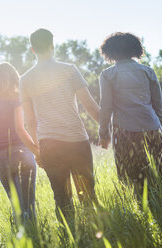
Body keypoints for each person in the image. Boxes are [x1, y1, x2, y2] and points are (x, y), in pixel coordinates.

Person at [19, 28, 100, 219]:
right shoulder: (69, 70)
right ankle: (95, 237)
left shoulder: (25, 80)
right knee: (87, 196)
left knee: (62, 199)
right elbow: (89, 104)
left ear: (32, 50)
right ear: (52, 46)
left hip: (49, 144)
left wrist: (37, 150)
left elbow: (30, 120)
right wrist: (106, 129)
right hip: (76, 140)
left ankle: (69, 237)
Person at [98, 32, 162, 194]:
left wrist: (103, 133)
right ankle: (161, 210)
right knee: (159, 175)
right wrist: (161, 128)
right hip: (153, 128)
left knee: (130, 178)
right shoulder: (147, 71)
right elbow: (159, 105)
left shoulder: (107, 75)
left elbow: (106, 106)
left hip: (125, 131)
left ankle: (140, 213)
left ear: (110, 52)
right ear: (135, 49)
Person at [0, 62, 40, 220]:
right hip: (23, 153)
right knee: (29, 207)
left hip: (2, 158)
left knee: (18, 208)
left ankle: (23, 239)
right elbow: (20, 129)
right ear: (13, 77)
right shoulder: (15, 97)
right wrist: (37, 152)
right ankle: (34, 238)